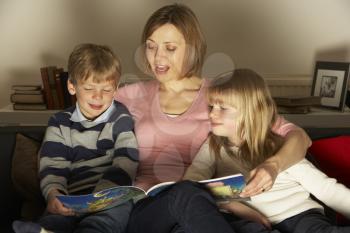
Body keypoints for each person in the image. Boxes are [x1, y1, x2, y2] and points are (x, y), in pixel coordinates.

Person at [115, 3, 312, 233]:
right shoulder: (130, 95)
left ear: (192, 49)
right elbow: (77, 120)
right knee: (186, 192)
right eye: (151, 46)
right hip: (151, 210)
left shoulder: (220, 96)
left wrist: (273, 165)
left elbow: (299, 137)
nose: (157, 57)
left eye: (169, 48)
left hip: (210, 210)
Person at [184, 68, 350, 233]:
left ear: (251, 112)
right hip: (248, 219)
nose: (212, 114)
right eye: (211, 106)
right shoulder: (213, 145)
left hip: (298, 214)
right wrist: (230, 204)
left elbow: (327, 189)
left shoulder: (279, 147)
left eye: (223, 108)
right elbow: (190, 185)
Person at [13, 43, 139, 233]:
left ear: (115, 89)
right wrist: (53, 195)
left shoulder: (120, 118)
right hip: (72, 198)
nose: (98, 97)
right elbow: (53, 165)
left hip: (109, 196)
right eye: (89, 88)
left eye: (106, 90)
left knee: (109, 218)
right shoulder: (60, 122)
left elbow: (126, 160)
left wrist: (101, 197)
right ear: (72, 86)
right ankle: (44, 229)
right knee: (55, 218)